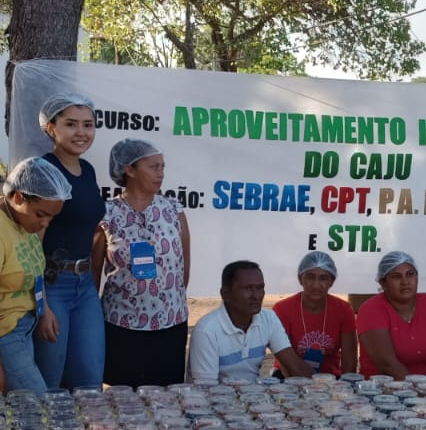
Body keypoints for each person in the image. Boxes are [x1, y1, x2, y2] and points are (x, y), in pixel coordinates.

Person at [0, 158, 70, 393]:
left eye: (51, 217)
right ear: (18, 198)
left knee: (22, 413)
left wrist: (43, 310)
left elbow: (33, 268)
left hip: (19, 327)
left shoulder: (23, 221)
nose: (44, 223)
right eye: (41, 214)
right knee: (39, 409)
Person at [96, 139, 191, 386]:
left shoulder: (173, 210)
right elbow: (93, 274)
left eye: (162, 167)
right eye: (153, 167)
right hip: (122, 324)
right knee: (124, 401)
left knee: (167, 400)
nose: (160, 174)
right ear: (129, 169)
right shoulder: (106, 213)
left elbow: (184, 268)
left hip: (170, 323)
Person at [34, 94, 107, 390]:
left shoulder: (87, 170)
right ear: (51, 127)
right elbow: (31, 241)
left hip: (84, 286)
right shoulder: (42, 171)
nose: (81, 132)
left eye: (88, 125)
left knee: (90, 377)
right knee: (49, 378)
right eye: (71, 124)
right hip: (52, 284)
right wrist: (42, 304)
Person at [190, 261, 311, 383]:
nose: (256, 296)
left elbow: (293, 365)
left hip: (253, 397)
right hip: (217, 400)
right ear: (225, 294)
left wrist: (316, 384)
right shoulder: (206, 331)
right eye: (248, 288)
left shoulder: (268, 318)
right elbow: (205, 391)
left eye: (260, 288)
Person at [357, 251, 426, 377]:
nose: (405, 281)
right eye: (396, 276)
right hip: (381, 390)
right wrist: (420, 391)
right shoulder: (371, 310)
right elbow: (388, 365)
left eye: (410, 274)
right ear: (383, 283)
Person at [273, 251, 357, 375]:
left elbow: (349, 361)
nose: (316, 285)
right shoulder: (282, 309)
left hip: (330, 379)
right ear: (300, 279)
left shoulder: (343, 310)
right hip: (289, 376)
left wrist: (344, 389)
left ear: (331, 282)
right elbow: (285, 360)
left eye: (323, 278)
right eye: (310, 277)